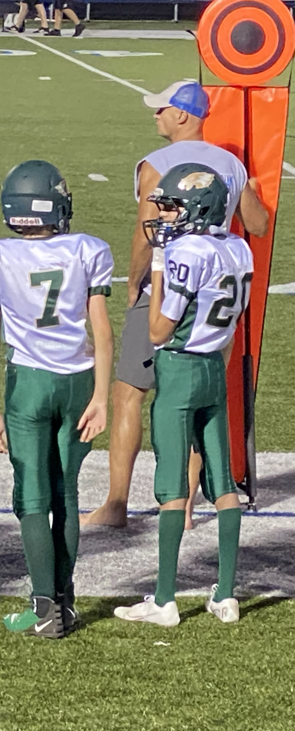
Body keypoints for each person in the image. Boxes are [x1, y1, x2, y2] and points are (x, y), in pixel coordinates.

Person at [82, 81, 269, 530]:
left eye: (161, 109)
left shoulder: (157, 163)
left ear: (182, 115)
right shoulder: (231, 165)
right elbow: (258, 224)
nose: (156, 116)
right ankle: (183, 507)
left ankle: (116, 503)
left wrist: (134, 285)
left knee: (130, 392)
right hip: (214, 300)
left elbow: (145, 231)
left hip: (168, 289)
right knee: (194, 402)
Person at [0, 161, 113, 638]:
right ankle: (65, 604)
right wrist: (102, 396)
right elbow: (102, 331)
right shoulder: (87, 250)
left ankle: (43, 607)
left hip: (28, 382)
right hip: (78, 380)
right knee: (65, 492)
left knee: (33, 495)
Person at [114, 163, 252, 627]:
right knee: (223, 484)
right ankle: (226, 596)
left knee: (172, 484)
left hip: (178, 367)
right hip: (214, 365)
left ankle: (164, 599)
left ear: (197, 208)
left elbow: (157, 330)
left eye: (172, 206)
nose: (164, 215)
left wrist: (157, 266)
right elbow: (232, 322)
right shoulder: (238, 247)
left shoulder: (185, 251)